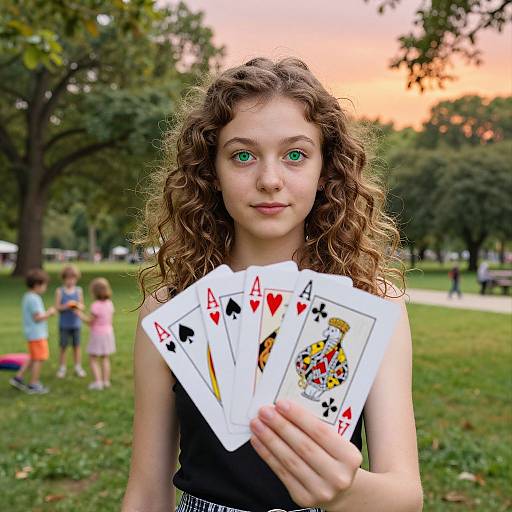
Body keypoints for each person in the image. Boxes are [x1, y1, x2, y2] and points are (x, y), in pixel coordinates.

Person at [122, 57, 423, 511]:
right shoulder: (168, 309)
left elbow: (405, 497)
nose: (269, 180)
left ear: (326, 172)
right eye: (242, 155)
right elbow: (146, 494)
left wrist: (344, 488)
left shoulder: (373, 305)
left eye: (295, 155)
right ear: (212, 173)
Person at [10, 268, 56, 394]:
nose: (45, 288)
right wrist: (49, 313)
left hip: (31, 334)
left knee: (32, 357)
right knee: (38, 359)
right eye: (44, 285)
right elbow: (37, 318)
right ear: (37, 285)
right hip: (37, 334)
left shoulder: (27, 296)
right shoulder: (34, 298)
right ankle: (33, 384)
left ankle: (18, 378)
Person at [74, 278, 116, 390]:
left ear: (94, 292)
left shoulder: (95, 306)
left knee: (93, 358)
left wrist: (79, 314)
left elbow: (90, 321)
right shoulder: (109, 303)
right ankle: (106, 381)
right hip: (108, 333)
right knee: (105, 357)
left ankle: (98, 382)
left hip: (98, 335)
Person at [54, 265, 86, 378]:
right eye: (68, 278)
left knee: (76, 346)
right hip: (64, 324)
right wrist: (66, 306)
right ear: (64, 278)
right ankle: (62, 368)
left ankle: (78, 366)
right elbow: (57, 308)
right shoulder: (60, 291)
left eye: (73, 278)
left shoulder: (78, 291)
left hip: (76, 324)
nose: (70, 281)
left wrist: (77, 305)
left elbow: (82, 306)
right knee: (63, 346)